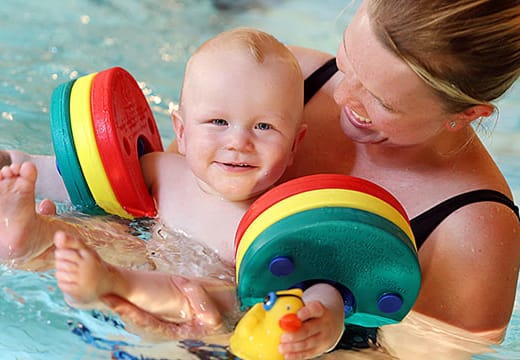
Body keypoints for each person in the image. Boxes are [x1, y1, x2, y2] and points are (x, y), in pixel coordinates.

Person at [0, 27, 347, 357]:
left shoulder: (280, 220)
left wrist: (326, 320)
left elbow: (320, 280)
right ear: (181, 131)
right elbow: (79, 182)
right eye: (218, 122)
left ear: (293, 146)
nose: (239, 142)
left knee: (219, 297)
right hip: (128, 266)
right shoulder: (162, 170)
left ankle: (115, 282)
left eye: (264, 127)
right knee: (104, 232)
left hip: (196, 322)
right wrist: (15, 164)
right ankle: (34, 235)